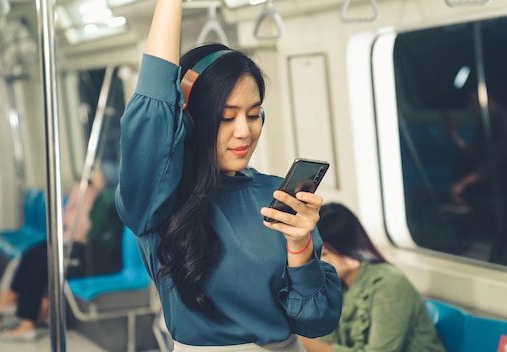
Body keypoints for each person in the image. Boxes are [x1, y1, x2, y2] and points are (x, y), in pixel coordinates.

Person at [114, 0, 342, 349]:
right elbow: (152, 109)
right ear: (190, 119)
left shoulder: (276, 195)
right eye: (226, 115)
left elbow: (316, 322)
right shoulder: (157, 199)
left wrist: (301, 247)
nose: (244, 132)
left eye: (253, 115)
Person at [0, 169, 124, 341]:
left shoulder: (107, 200)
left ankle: (23, 320)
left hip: (93, 255)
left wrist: (90, 194)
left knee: (38, 261)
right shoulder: (88, 195)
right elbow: (70, 221)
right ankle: (16, 310)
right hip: (78, 245)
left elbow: (87, 231)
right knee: (31, 256)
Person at [299, 203, 446, 352]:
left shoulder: (389, 284)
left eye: (324, 254)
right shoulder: (336, 285)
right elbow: (328, 338)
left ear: (349, 248)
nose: (317, 264)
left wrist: (313, 347)